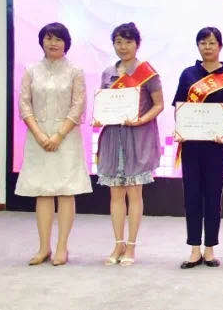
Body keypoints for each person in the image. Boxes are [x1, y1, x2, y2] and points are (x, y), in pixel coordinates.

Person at [16, 22, 92, 266]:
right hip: (38, 137)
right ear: (42, 42)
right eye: (48, 38)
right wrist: (39, 134)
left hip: (66, 137)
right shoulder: (31, 70)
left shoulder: (75, 71)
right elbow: (24, 104)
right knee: (43, 191)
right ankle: (43, 248)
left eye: (58, 39)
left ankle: (62, 248)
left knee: (66, 191)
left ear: (66, 43)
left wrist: (59, 135)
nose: (53, 43)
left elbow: (78, 105)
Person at [172, 26, 223, 269]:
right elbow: (180, 107)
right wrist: (181, 129)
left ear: (220, 46)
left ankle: (210, 248)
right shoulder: (188, 74)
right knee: (191, 195)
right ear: (198, 46)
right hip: (191, 145)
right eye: (203, 43)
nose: (207, 47)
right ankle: (194, 248)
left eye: (212, 43)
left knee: (213, 196)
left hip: (217, 145)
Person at [93, 22, 164, 266]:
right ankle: (118, 243)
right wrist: (99, 116)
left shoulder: (148, 73)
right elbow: (104, 104)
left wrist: (141, 120)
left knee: (134, 193)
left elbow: (158, 105)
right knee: (115, 195)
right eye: (118, 42)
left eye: (128, 42)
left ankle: (131, 246)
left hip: (138, 138)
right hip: (113, 139)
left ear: (137, 44)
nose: (123, 47)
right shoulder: (107, 73)